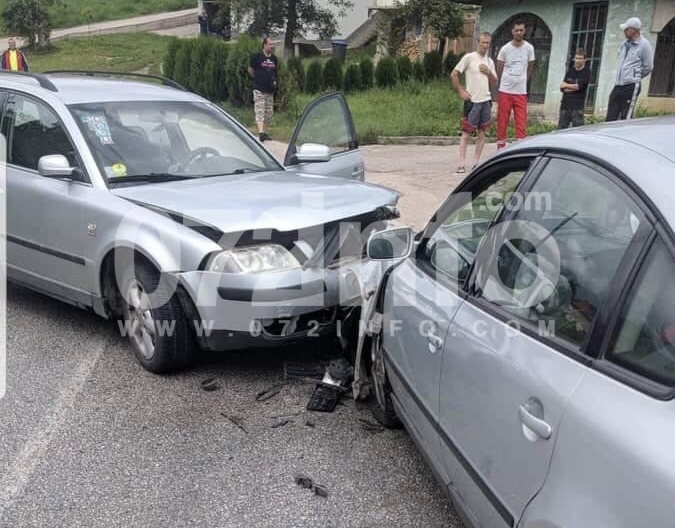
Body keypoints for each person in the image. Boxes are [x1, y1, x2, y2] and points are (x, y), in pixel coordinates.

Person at [451, 32, 498, 173]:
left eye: (487, 43)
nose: (485, 45)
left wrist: (489, 73)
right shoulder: (469, 58)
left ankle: (476, 163)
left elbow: (495, 82)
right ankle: (461, 164)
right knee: (466, 133)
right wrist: (461, 91)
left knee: (482, 132)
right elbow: (454, 74)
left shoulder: (490, 61)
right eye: (483, 42)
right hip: (472, 101)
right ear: (478, 42)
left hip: (486, 101)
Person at [495, 19, 535, 150]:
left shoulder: (529, 48)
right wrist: (506, 81)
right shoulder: (505, 49)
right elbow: (499, 68)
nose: (519, 33)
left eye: (521, 30)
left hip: (521, 92)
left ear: (525, 31)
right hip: (505, 91)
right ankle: (500, 148)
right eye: (516, 30)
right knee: (502, 121)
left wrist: (523, 81)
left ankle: (520, 148)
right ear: (512, 31)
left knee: (521, 122)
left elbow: (530, 67)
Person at [606, 17, 653, 121]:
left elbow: (648, 67)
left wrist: (634, 76)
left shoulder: (644, 44)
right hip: (618, 84)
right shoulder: (624, 44)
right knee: (610, 116)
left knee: (625, 116)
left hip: (631, 85)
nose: (624, 31)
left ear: (633, 30)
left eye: (626, 29)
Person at [248, 37, 278, 142]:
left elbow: (275, 72)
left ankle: (264, 133)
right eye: (270, 44)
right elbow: (251, 71)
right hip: (259, 89)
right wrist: (258, 79)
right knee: (260, 111)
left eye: (272, 44)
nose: (272, 46)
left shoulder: (274, 59)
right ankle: (261, 133)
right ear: (264, 45)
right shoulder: (256, 57)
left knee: (268, 113)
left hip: (270, 90)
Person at [558, 48, 591, 129]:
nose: (578, 60)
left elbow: (580, 87)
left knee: (578, 131)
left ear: (584, 60)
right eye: (576, 58)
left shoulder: (586, 72)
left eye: (580, 58)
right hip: (565, 106)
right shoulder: (570, 71)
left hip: (577, 108)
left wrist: (567, 86)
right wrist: (574, 87)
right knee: (560, 131)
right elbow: (562, 88)